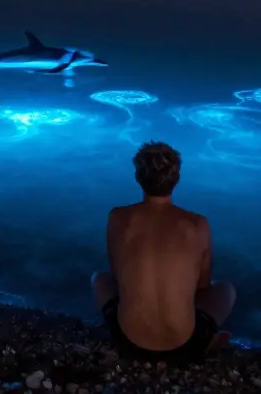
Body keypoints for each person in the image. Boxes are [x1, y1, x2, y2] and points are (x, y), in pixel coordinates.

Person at [91, 141, 237, 366]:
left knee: (99, 278)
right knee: (226, 290)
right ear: (176, 178)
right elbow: (203, 286)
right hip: (186, 345)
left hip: (127, 341)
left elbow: (118, 275)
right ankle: (205, 340)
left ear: (138, 177)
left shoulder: (118, 217)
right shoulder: (197, 224)